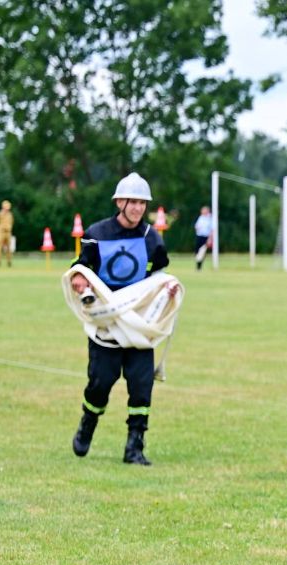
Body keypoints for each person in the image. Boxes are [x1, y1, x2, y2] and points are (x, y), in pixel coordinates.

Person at [68, 172, 177, 466]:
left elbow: (157, 275)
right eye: (133, 202)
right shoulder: (97, 233)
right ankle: (88, 423)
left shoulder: (151, 237)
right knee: (101, 383)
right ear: (119, 202)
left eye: (142, 203)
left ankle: (135, 448)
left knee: (141, 384)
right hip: (106, 323)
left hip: (138, 324)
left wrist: (167, 287)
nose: (138, 208)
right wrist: (79, 277)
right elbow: (81, 267)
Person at [0, 199, 14, 267]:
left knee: (9, 248)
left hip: (8, 232)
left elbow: (11, 223)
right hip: (1, 232)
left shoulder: (10, 215)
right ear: (3, 207)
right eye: (6, 207)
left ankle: (9, 261)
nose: (7, 208)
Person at [194, 205, 213, 270]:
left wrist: (210, 239)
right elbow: (196, 226)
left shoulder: (210, 218)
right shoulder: (200, 217)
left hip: (206, 237)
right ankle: (198, 265)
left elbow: (212, 229)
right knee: (197, 251)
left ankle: (199, 266)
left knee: (202, 251)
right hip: (199, 236)